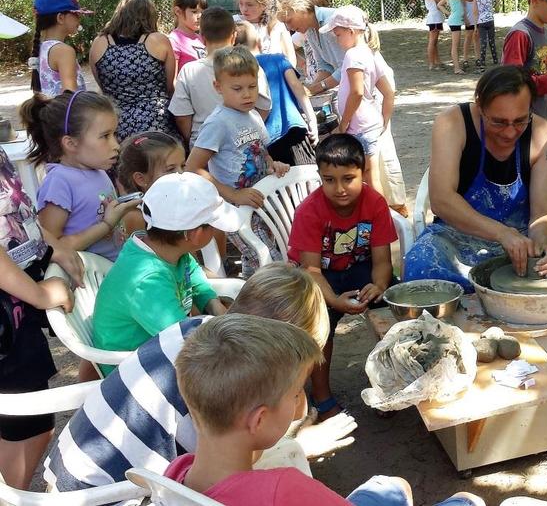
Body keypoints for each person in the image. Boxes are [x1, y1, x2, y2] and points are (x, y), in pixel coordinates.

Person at [44, 263, 359, 491]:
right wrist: (296, 447)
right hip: (106, 494)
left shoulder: (201, 333)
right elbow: (223, 482)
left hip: (74, 466)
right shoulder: (220, 385)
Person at [166, 314, 485, 506]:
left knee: (392, 486)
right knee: (470, 501)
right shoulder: (283, 489)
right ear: (260, 419)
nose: (300, 405)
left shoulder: (177, 474)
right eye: (295, 394)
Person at [404, 66, 547, 291]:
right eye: (498, 122)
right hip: (456, 235)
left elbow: (542, 213)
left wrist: (541, 245)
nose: (509, 132)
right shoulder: (452, 123)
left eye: (520, 121)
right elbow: (441, 201)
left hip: (521, 239)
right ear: (479, 105)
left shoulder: (546, 136)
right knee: (420, 269)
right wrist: (502, 233)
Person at [288, 134, 397, 421]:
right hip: (319, 275)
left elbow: (382, 261)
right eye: (329, 180)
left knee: (393, 309)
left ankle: (391, 382)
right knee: (317, 322)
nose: (339, 188)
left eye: (348, 178)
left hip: (360, 267)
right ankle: (322, 397)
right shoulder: (309, 211)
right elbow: (311, 271)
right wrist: (335, 301)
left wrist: (380, 285)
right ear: (320, 177)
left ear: (363, 173)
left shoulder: (374, 203)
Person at [90, 172, 235, 375]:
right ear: (194, 234)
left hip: (160, 347)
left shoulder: (165, 249)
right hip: (136, 371)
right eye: (213, 226)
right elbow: (185, 338)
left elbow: (193, 274)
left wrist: (215, 305)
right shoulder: (148, 281)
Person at [0, 144, 83, 490]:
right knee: (27, 422)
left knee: (29, 422)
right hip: (10, 313)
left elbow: (18, 215)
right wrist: (39, 294)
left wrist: (53, 246)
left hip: (17, 307)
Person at [184, 46, 289, 276]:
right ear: (218, 87)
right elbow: (192, 168)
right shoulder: (218, 123)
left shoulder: (252, 115)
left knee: (260, 257)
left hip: (260, 202)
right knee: (267, 258)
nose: (247, 94)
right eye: (237, 88)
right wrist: (233, 195)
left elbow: (261, 151)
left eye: (252, 87)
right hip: (233, 207)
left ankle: (253, 300)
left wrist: (273, 164)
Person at [24, 91, 140, 263]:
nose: (116, 145)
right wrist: (106, 225)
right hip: (92, 280)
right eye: (105, 136)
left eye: (114, 134)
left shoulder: (98, 170)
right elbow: (53, 247)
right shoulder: (59, 182)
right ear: (71, 143)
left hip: (117, 268)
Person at [169, 7, 272, 148]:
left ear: (202, 38)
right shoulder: (249, 65)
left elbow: (182, 116)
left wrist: (191, 139)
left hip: (204, 144)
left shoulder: (189, 71)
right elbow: (264, 105)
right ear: (234, 36)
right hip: (245, 142)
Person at [321, 6, 394, 196]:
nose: (336, 40)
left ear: (351, 31)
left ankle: (378, 219)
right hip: (368, 125)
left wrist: (344, 122)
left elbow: (357, 92)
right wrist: (384, 119)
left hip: (358, 127)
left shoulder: (353, 55)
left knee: (366, 179)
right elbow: (389, 91)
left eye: (338, 35)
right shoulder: (369, 53)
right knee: (369, 177)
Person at [89, 0, 177, 141]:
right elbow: (170, 87)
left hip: (116, 125)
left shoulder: (99, 43)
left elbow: (102, 85)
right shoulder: (159, 41)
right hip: (156, 123)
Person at [236, 22, 318, 166]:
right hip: (293, 129)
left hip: (267, 139)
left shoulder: (237, 71)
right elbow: (297, 86)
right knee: (308, 178)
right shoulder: (277, 59)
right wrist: (311, 119)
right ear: (259, 42)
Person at [363, 13, 408, 217]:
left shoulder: (370, 60)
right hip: (373, 118)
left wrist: (383, 121)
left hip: (376, 119)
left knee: (384, 161)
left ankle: (395, 207)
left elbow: (388, 92)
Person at [115, 130, 187, 242]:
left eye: (183, 166)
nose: (181, 173)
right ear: (141, 179)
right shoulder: (136, 216)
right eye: (171, 169)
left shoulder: (179, 202)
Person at [277, 0, 349, 96]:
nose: (288, 28)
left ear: (301, 9)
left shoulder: (332, 22)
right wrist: (308, 90)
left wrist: (315, 89)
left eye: (289, 20)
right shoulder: (310, 30)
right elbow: (325, 67)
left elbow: (346, 68)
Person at [28, 0, 91, 98]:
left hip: (53, 113)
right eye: (76, 14)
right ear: (60, 18)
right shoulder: (63, 51)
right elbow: (70, 96)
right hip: (68, 114)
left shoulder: (42, 47)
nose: (79, 19)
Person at [238, 0, 296, 66]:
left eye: (249, 5)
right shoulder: (234, 23)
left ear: (264, 5)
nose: (244, 9)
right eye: (241, 4)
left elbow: (290, 57)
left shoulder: (277, 25)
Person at [168, 0, 207, 73]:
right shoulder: (174, 40)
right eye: (194, 12)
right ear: (178, 11)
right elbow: (173, 81)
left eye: (202, 12)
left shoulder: (200, 38)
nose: (200, 16)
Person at [447, 0, 474, 74]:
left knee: (456, 45)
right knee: (455, 45)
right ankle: (456, 68)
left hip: (456, 20)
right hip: (455, 21)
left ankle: (457, 67)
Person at [422, 0, 448, 71]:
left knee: (435, 41)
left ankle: (437, 61)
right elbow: (442, 1)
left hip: (436, 17)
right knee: (432, 41)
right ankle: (432, 64)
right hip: (434, 18)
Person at [475, 0, 498, 69]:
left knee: (483, 42)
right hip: (490, 19)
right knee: (492, 40)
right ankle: (495, 59)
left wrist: (475, 26)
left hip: (481, 21)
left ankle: (482, 61)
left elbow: (475, 12)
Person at [463, 0, 480, 72]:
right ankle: (465, 59)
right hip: (468, 18)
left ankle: (478, 58)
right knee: (468, 37)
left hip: (477, 19)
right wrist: (465, 18)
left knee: (476, 38)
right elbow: (462, 5)